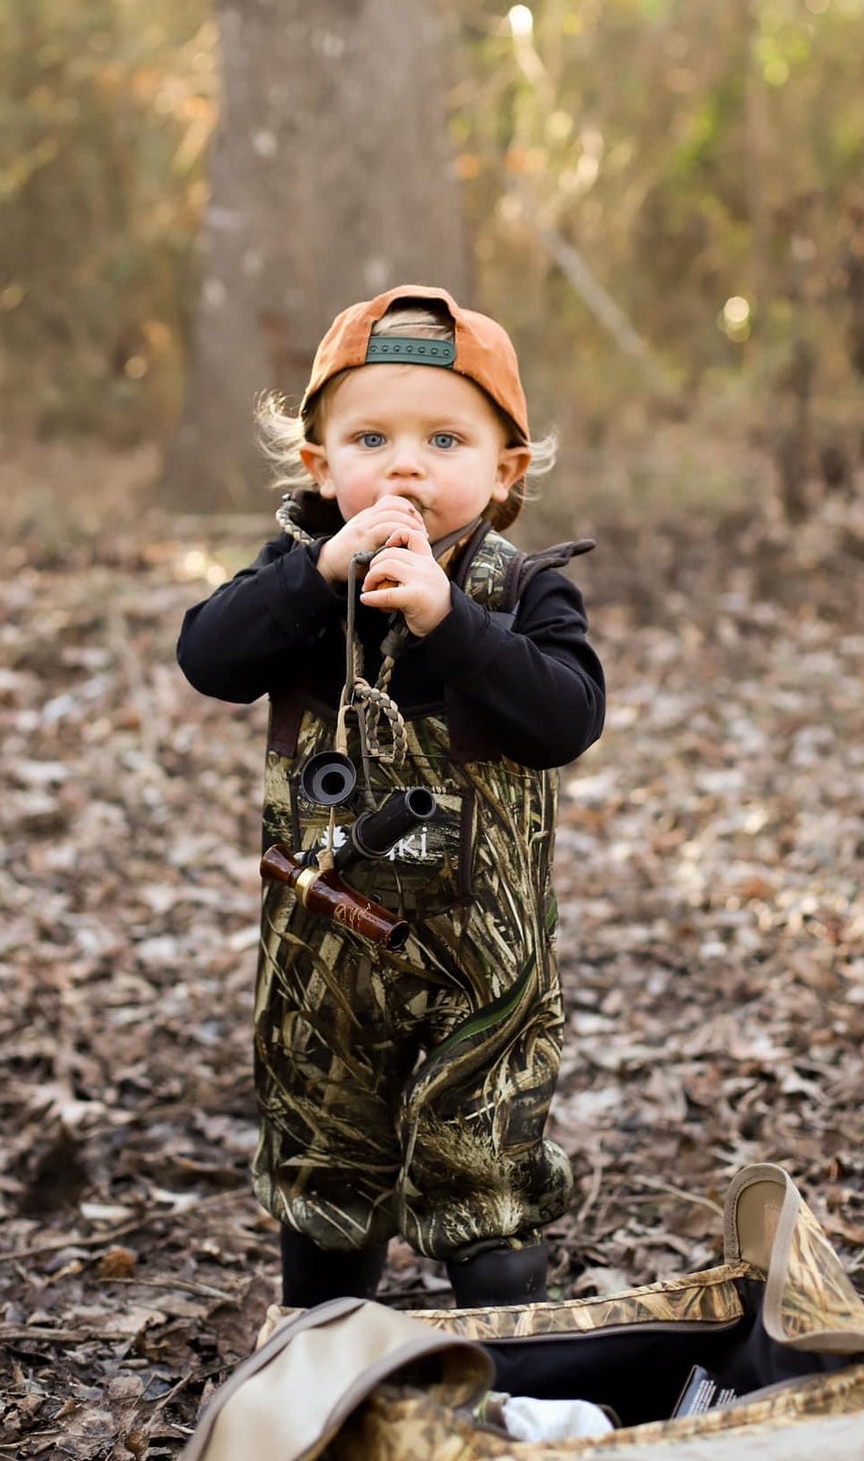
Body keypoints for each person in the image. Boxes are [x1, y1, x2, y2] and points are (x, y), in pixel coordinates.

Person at [176, 285, 605, 1310]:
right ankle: (321, 1342)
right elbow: (208, 657)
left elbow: (566, 717)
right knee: (327, 1150)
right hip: (322, 947)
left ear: (505, 473)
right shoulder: (299, 578)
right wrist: (314, 576)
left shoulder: (517, 589)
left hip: (479, 959)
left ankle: (510, 1369)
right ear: (319, 466)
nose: (405, 464)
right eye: (370, 435)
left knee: (483, 1156)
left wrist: (452, 623)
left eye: (444, 438)